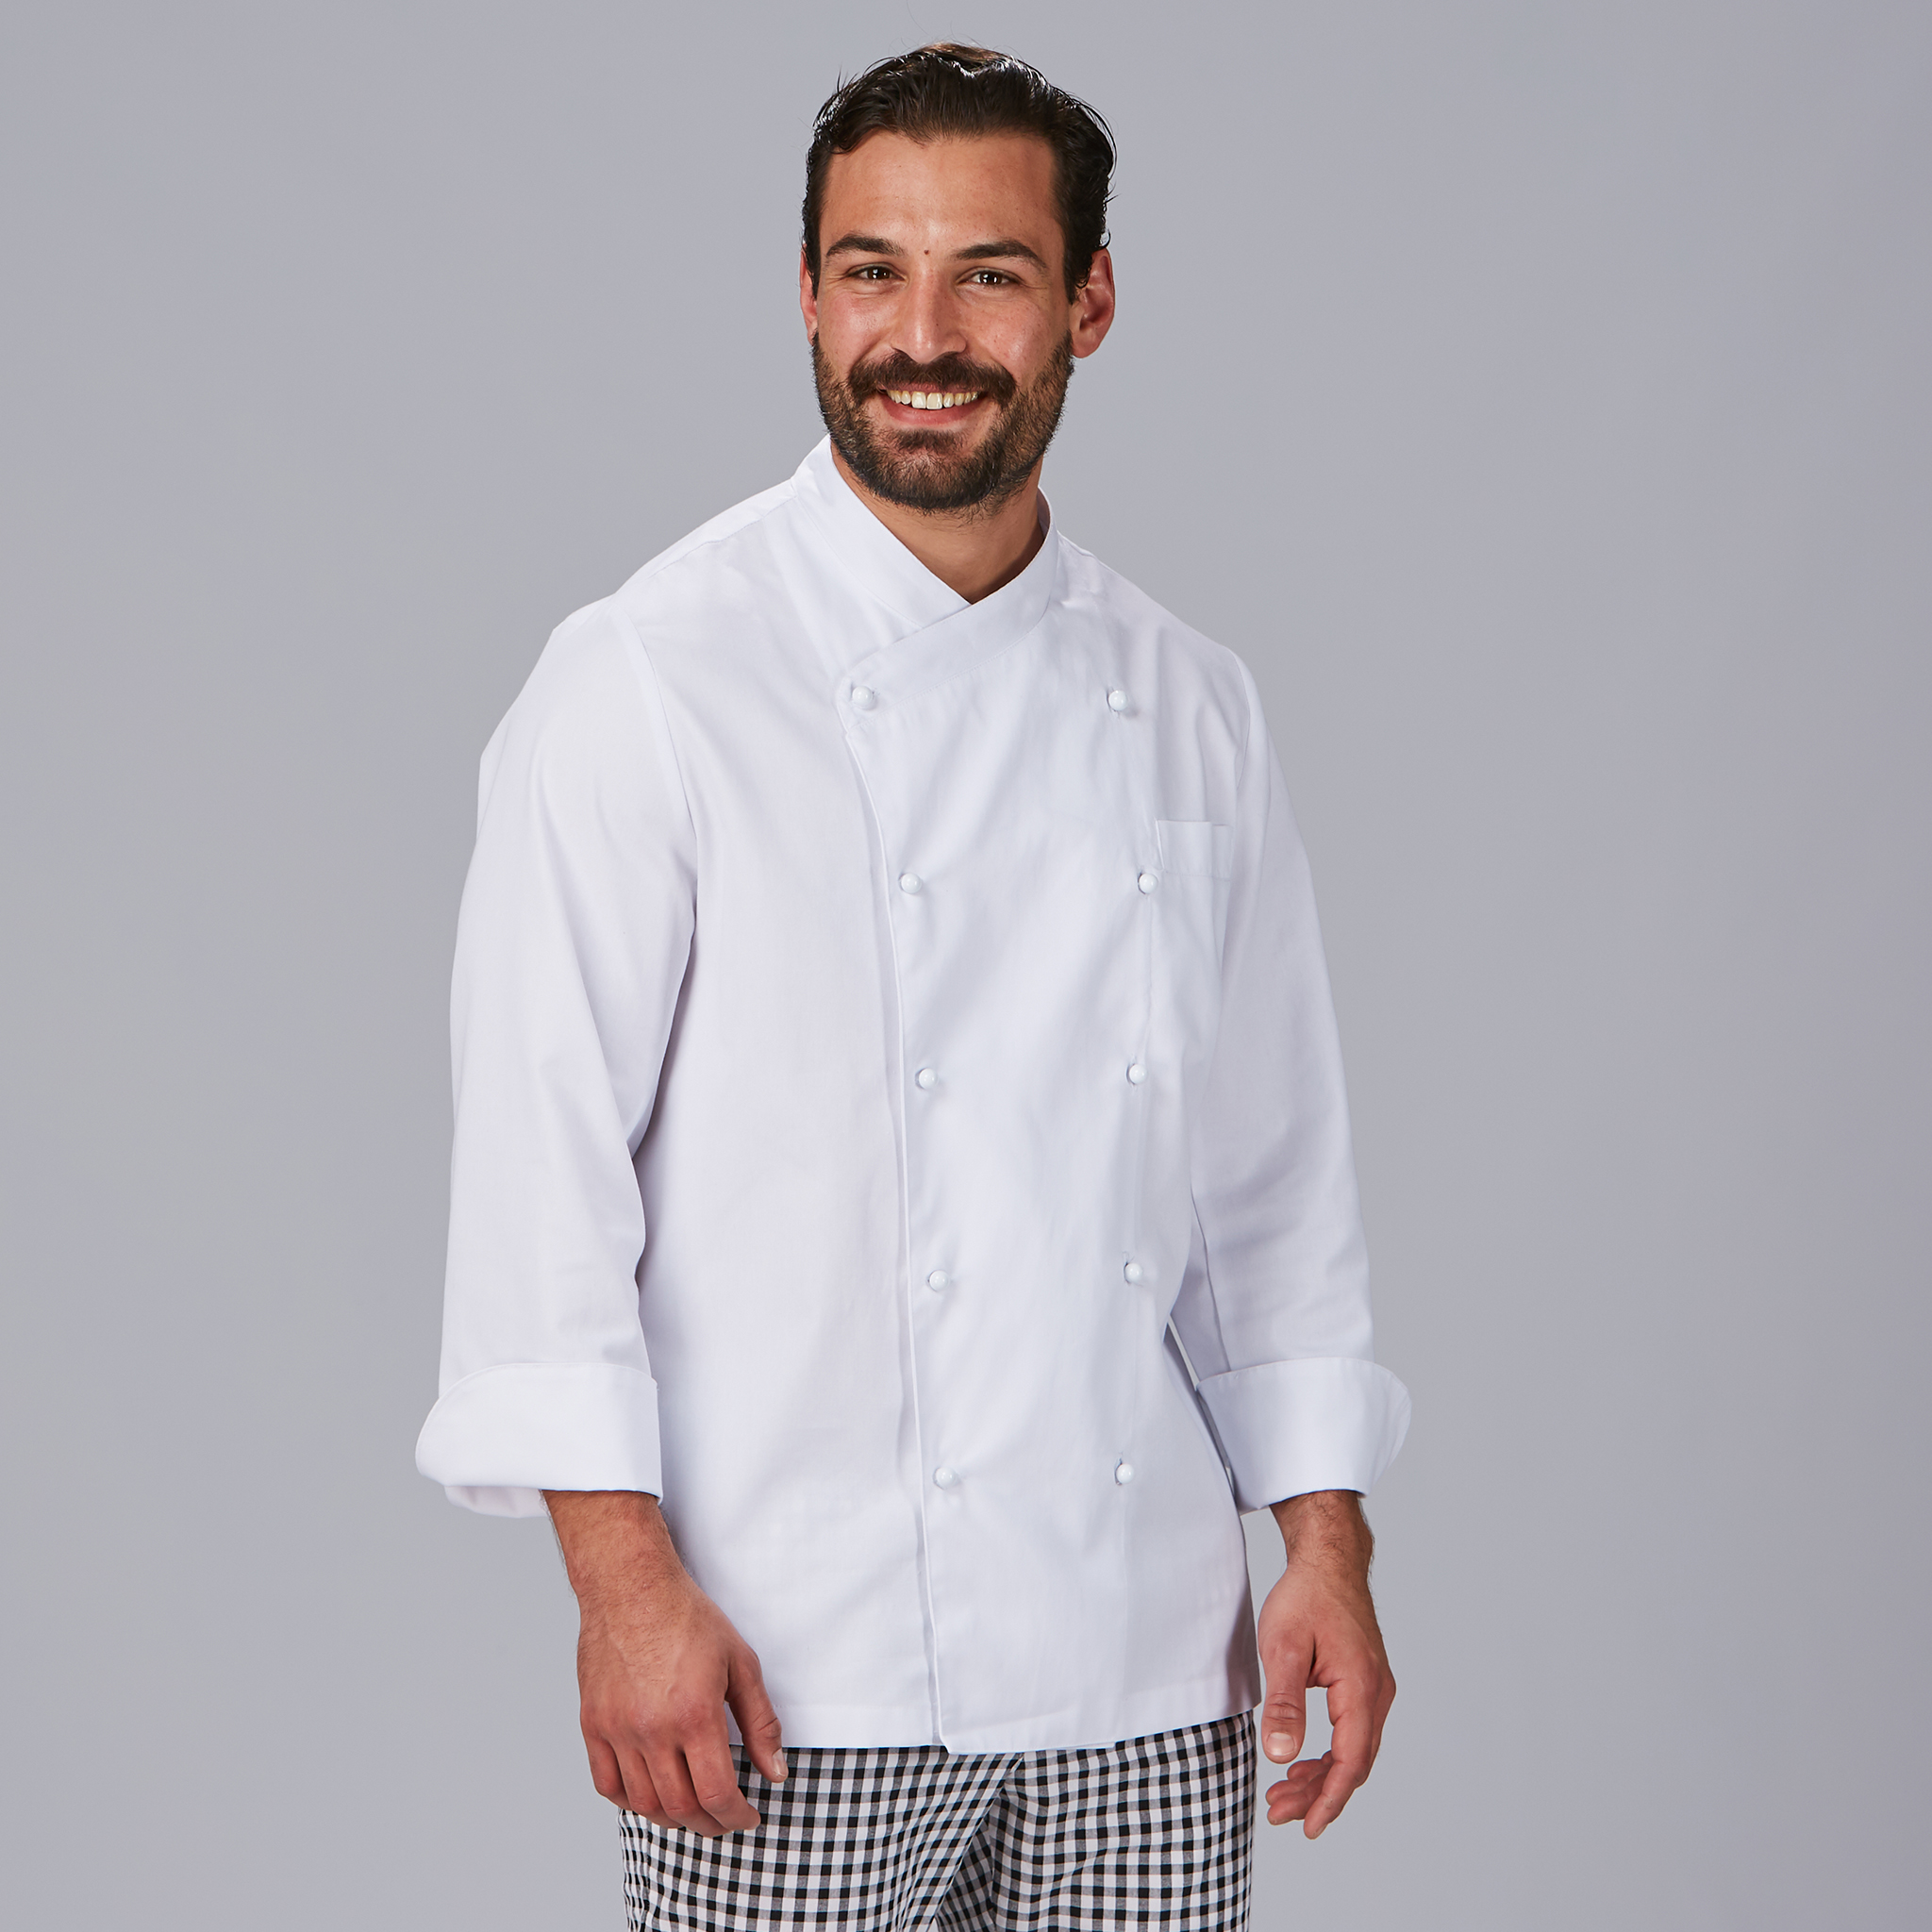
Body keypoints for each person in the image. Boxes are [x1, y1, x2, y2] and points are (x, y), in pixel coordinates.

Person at [416, 42, 1411, 1931]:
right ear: (807, 294)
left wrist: (1326, 1544)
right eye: (872, 270)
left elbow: (1268, 1189)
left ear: (1088, 303)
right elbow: (542, 1181)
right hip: (789, 1661)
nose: (923, 336)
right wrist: (623, 1591)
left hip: (1149, 1667)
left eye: (990, 274)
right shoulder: (651, 678)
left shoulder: (1191, 702)